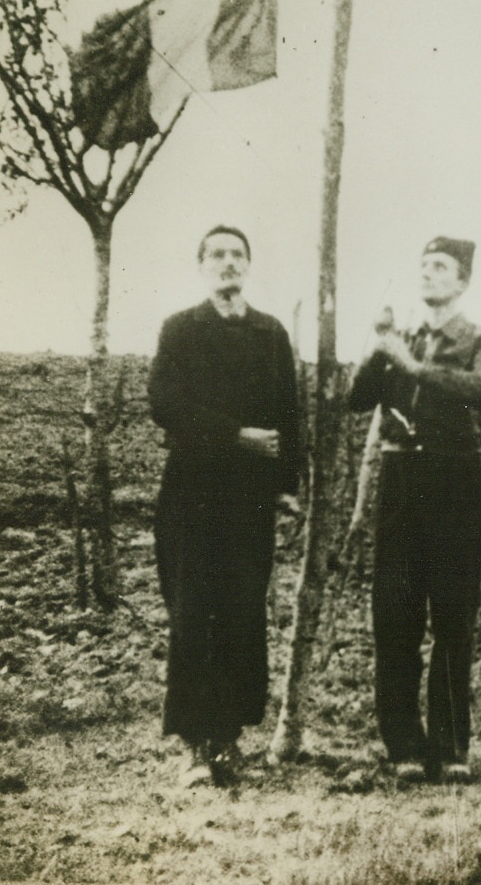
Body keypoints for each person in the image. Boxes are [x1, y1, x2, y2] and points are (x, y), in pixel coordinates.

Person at [148, 226, 303, 787]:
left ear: (249, 266)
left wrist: (288, 486)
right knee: (192, 613)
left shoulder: (270, 333)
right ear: (201, 265)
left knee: (241, 612)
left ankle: (229, 740)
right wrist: (236, 434)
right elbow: (164, 403)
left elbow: (290, 413)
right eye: (217, 254)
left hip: (248, 501)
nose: (228, 263)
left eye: (238, 254)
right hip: (190, 492)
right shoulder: (180, 330)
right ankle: (194, 743)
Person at [348, 236, 481, 783]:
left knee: (455, 614)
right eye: (423, 266)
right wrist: (379, 345)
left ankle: (451, 747)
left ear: (462, 282)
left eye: (441, 267)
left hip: (456, 477)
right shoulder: (404, 338)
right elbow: (356, 397)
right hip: (400, 479)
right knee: (395, 614)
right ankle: (404, 747)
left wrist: (412, 368)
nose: (428, 275)